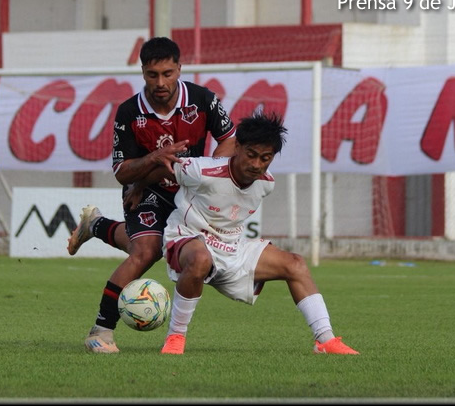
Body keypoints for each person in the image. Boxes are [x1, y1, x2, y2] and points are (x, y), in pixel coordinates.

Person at [67, 37, 237, 353]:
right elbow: (122, 172)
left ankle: (97, 225)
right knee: (146, 251)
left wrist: (206, 173)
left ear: (179, 69)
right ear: (143, 72)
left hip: (191, 193)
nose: (160, 83)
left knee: (170, 250)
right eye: (152, 75)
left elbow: (229, 139)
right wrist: (154, 158)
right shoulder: (129, 112)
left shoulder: (203, 100)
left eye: (167, 74)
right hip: (146, 191)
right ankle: (100, 331)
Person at [150, 112, 358, 355]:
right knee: (200, 259)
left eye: (265, 158)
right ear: (237, 147)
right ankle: (176, 337)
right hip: (187, 237)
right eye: (251, 155)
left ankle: (326, 340)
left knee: (295, 264)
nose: (257, 164)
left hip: (230, 247)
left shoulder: (266, 183)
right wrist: (138, 188)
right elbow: (161, 170)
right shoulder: (201, 170)